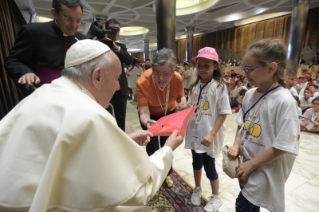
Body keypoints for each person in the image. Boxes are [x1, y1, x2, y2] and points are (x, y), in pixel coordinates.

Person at [0, 39, 184, 212]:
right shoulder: (89, 114)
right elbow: (136, 190)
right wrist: (167, 149)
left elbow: (74, 149)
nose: (118, 88)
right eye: (116, 79)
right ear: (97, 76)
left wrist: (124, 140)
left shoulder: (45, 92)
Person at [227, 39, 300, 212]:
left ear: (271, 68)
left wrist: (253, 164)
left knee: (243, 205)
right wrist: (237, 144)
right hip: (248, 162)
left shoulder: (285, 101)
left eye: (249, 69)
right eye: (243, 68)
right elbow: (242, 124)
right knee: (252, 204)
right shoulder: (251, 94)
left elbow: (284, 146)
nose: (244, 74)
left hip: (266, 168)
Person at [182, 47, 231, 212]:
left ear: (216, 66)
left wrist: (211, 134)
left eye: (206, 65)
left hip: (209, 134)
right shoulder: (194, 86)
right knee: (196, 162)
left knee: (209, 166)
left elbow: (223, 114)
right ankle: (197, 187)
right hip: (196, 132)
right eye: (199, 65)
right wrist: (182, 108)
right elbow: (191, 107)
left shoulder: (220, 87)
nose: (202, 69)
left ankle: (216, 196)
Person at [4, 0, 86, 92]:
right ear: (54, 13)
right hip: (40, 93)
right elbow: (14, 61)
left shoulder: (83, 40)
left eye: (78, 20)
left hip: (74, 94)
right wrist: (25, 72)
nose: (74, 25)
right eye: (68, 18)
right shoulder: (33, 31)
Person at [137, 48, 187, 188]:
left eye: (166, 74)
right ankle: (152, 171)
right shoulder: (143, 82)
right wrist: (147, 121)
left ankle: (167, 173)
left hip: (169, 112)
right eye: (157, 73)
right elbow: (144, 111)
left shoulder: (177, 79)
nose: (160, 78)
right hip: (150, 116)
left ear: (173, 71)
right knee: (151, 145)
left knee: (167, 145)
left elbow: (180, 96)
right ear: (152, 68)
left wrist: (183, 102)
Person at [104, 18, 133, 131]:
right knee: (107, 115)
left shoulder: (122, 47)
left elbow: (129, 60)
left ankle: (121, 137)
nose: (116, 32)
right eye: (113, 29)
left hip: (121, 88)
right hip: (105, 87)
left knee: (121, 116)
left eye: (118, 30)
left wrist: (117, 48)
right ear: (106, 29)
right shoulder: (99, 44)